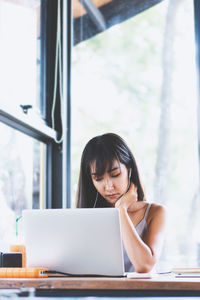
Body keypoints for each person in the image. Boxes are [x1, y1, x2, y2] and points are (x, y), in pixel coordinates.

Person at [76, 133, 166, 273]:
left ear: (129, 170)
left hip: (140, 295)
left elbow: (144, 266)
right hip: (97, 293)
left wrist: (122, 209)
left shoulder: (155, 212)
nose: (109, 186)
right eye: (98, 178)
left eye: (115, 174)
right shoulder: (87, 217)